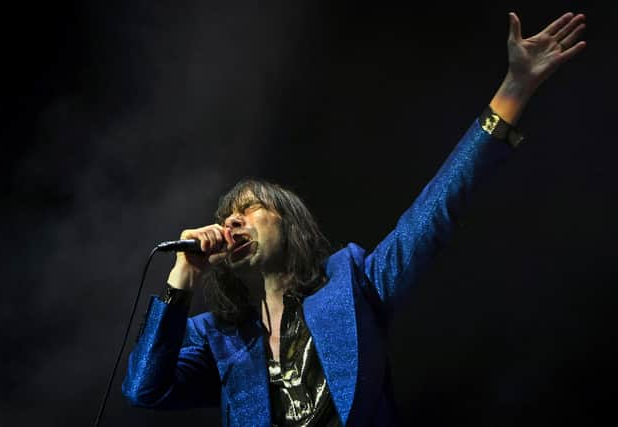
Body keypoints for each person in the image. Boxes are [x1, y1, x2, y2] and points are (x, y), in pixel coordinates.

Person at [123, 12, 586, 426]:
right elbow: (144, 390)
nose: (232, 223)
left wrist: (514, 88)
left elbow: (434, 212)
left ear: (289, 222)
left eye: (249, 209)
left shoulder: (354, 282)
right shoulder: (217, 339)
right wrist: (181, 275)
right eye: (226, 218)